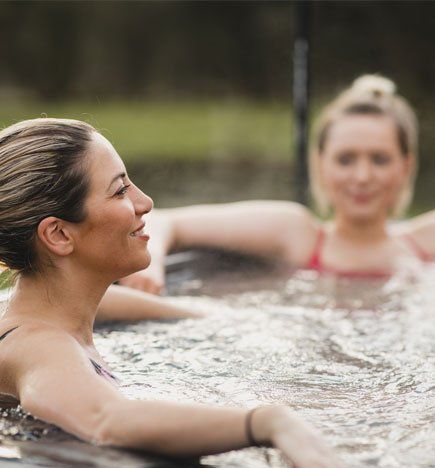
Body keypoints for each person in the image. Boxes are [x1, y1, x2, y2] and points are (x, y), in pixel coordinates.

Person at [0, 118, 342, 467]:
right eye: (120, 191)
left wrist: (219, 317)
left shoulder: (45, 314)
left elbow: (121, 305)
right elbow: (107, 420)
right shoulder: (39, 346)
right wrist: (269, 422)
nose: (145, 202)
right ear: (58, 235)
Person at [121, 75, 435, 293]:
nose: (362, 176)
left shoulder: (424, 242)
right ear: (320, 163)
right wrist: (149, 265)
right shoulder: (296, 233)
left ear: (405, 167)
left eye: (379, 159)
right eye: (345, 159)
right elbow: (165, 221)